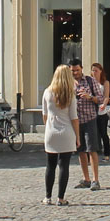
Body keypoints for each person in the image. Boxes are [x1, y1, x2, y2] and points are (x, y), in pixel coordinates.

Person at [39, 64, 79, 205]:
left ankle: (47, 197)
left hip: (51, 132)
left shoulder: (47, 92)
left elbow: (44, 115)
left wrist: (49, 127)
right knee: (64, 165)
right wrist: (77, 136)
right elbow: (74, 118)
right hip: (67, 132)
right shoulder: (70, 95)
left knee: (50, 165)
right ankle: (61, 198)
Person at [71, 61, 105, 190]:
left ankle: (95, 180)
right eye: (73, 71)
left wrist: (89, 97)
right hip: (75, 121)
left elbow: (100, 99)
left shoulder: (90, 81)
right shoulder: (69, 83)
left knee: (92, 149)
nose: (75, 73)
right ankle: (86, 179)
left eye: (77, 70)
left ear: (81, 69)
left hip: (89, 119)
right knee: (80, 150)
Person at [91, 61, 110, 159]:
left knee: (103, 134)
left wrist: (104, 104)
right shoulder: (90, 82)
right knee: (92, 134)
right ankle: (93, 154)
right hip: (91, 111)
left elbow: (106, 96)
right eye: (93, 71)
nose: (94, 73)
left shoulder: (105, 82)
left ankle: (107, 154)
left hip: (101, 112)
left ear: (101, 71)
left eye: (96, 71)